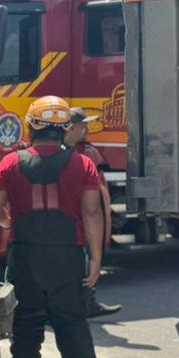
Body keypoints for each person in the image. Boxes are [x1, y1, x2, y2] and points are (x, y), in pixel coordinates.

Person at [0, 95, 106, 358]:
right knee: (71, 320)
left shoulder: (10, 163)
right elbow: (92, 212)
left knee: (26, 318)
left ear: (31, 126)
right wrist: (95, 259)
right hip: (68, 255)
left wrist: (13, 224)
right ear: (65, 128)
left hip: (25, 252)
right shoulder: (84, 164)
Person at [64, 108, 121, 319]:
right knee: (83, 260)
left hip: (71, 219)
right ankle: (86, 304)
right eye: (83, 125)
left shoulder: (77, 150)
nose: (87, 129)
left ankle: (87, 302)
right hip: (73, 220)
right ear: (72, 127)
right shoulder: (78, 153)